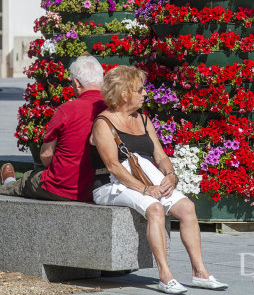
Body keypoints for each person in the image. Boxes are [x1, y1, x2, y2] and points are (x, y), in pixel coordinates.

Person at [90, 65, 228, 294]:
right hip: (110, 185)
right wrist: (146, 189)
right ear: (124, 93)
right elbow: (113, 166)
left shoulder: (143, 120)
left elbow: (160, 155)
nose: (145, 94)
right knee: (155, 208)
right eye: (140, 90)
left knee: (187, 207)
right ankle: (165, 275)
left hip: (144, 178)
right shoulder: (103, 123)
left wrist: (171, 175)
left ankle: (200, 272)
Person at [0, 56, 105, 202]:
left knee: (26, 180)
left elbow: (46, 156)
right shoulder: (113, 108)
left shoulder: (67, 109)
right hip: (95, 188)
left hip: (60, 187)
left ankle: (8, 182)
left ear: (77, 83)